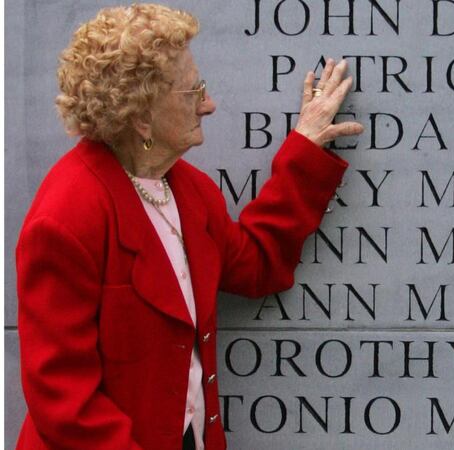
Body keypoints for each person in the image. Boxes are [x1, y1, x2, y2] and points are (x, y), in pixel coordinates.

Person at [15, 4, 363, 449]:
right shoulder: (66, 217)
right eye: (191, 92)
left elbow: (254, 265)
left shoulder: (186, 188)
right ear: (142, 117)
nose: (209, 103)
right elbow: (65, 403)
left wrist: (305, 148)